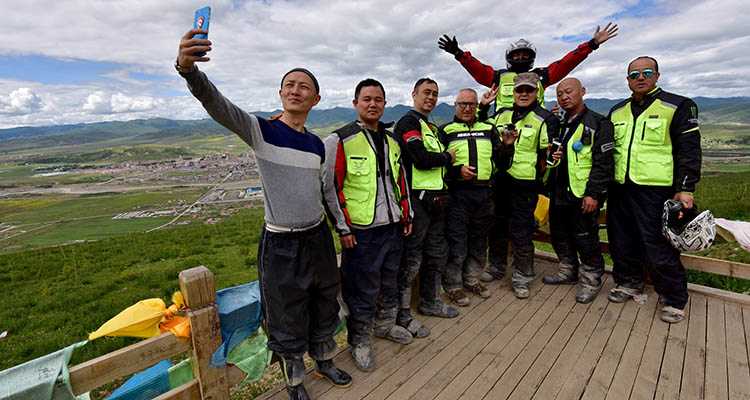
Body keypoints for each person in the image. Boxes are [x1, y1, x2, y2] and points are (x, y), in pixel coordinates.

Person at [176, 29, 350, 400]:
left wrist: (342, 228)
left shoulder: (318, 145)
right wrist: (188, 70)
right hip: (281, 242)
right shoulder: (261, 130)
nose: (295, 89)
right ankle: (295, 380)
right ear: (281, 93)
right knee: (286, 313)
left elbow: (326, 192)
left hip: (318, 237)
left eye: (304, 86)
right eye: (289, 84)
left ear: (315, 99)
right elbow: (218, 105)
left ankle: (325, 359)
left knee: (323, 303)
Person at [322, 79, 414, 373]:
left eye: (378, 99)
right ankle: (358, 339)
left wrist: (407, 214)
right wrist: (343, 228)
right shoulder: (340, 140)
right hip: (361, 232)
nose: (373, 104)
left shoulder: (391, 141)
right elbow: (330, 188)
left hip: (393, 226)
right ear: (355, 104)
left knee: (389, 281)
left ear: (385, 104)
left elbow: (400, 181)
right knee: (360, 288)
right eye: (366, 99)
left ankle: (385, 325)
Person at [606, 56, 702, 323]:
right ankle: (628, 282)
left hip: (656, 190)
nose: (640, 77)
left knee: (656, 245)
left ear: (657, 76)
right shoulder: (616, 110)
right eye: (633, 74)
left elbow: (690, 150)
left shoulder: (678, 105)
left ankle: (673, 298)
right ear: (627, 80)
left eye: (646, 72)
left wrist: (685, 187)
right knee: (620, 240)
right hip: (620, 187)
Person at [478, 73, 559, 299]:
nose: (524, 94)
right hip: (499, 181)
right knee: (497, 226)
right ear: (513, 93)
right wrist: (483, 108)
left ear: (537, 92)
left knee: (522, 231)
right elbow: (482, 130)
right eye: (519, 90)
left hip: (525, 185)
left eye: (529, 90)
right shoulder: (501, 114)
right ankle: (495, 266)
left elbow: (549, 156)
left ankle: (522, 275)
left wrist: (543, 184)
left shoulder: (546, 119)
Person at [395, 78, 460, 336]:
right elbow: (420, 158)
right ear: (414, 94)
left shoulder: (429, 127)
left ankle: (429, 302)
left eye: (435, 94)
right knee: (411, 259)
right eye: (426, 93)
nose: (431, 98)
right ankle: (402, 314)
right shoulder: (409, 123)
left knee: (436, 254)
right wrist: (447, 158)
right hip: (416, 203)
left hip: (435, 202)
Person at [440, 88, 516, 307]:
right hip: (457, 194)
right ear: (455, 105)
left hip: (484, 194)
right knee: (457, 241)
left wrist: (508, 147)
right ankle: (453, 285)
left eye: (471, 104)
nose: (467, 108)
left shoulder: (489, 128)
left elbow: (501, 162)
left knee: (479, 240)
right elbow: (439, 166)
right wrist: (456, 172)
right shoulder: (446, 130)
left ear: (477, 106)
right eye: (462, 104)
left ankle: (472, 279)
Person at [438, 23, 618, 112]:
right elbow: (476, 68)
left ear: (532, 58)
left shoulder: (541, 76)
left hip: (536, 130)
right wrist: (459, 53)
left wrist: (592, 44)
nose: (521, 58)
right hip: (503, 131)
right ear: (509, 57)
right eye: (517, 55)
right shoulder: (498, 77)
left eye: (525, 55)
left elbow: (566, 63)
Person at [543, 78, 614, 303]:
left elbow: (604, 162)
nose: (564, 97)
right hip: (558, 190)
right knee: (559, 233)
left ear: (582, 91)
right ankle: (567, 271)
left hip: (583, 194)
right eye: (559, 94)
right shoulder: (561, 123)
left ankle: (591, 280)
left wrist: (593, 194)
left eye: (568, 92)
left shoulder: (598, 123)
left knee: (585, 237)